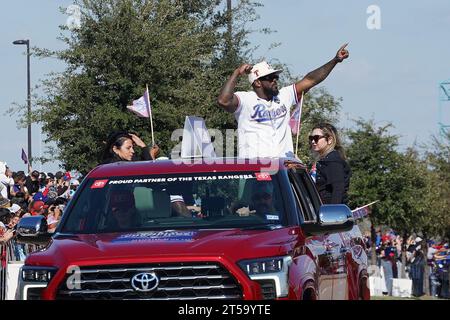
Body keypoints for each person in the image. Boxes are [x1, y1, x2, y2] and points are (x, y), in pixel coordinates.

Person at [217, 44, 349, 158]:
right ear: (257, 83)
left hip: (282, 168)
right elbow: (223, 101)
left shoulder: (283, 95)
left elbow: (310, 80)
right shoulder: (246, 100)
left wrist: (335, 60)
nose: (275, 80)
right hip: (253, 169)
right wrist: (236, 73)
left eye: (275, 77)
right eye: (270, 78)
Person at [309, 123, 351, 205]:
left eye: (316, 138)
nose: (313, 141)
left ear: (329, 140)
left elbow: (338, 190)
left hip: (330, 214)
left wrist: (333, 214)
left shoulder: (333, 160)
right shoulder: (325, 159)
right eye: (311, 138)